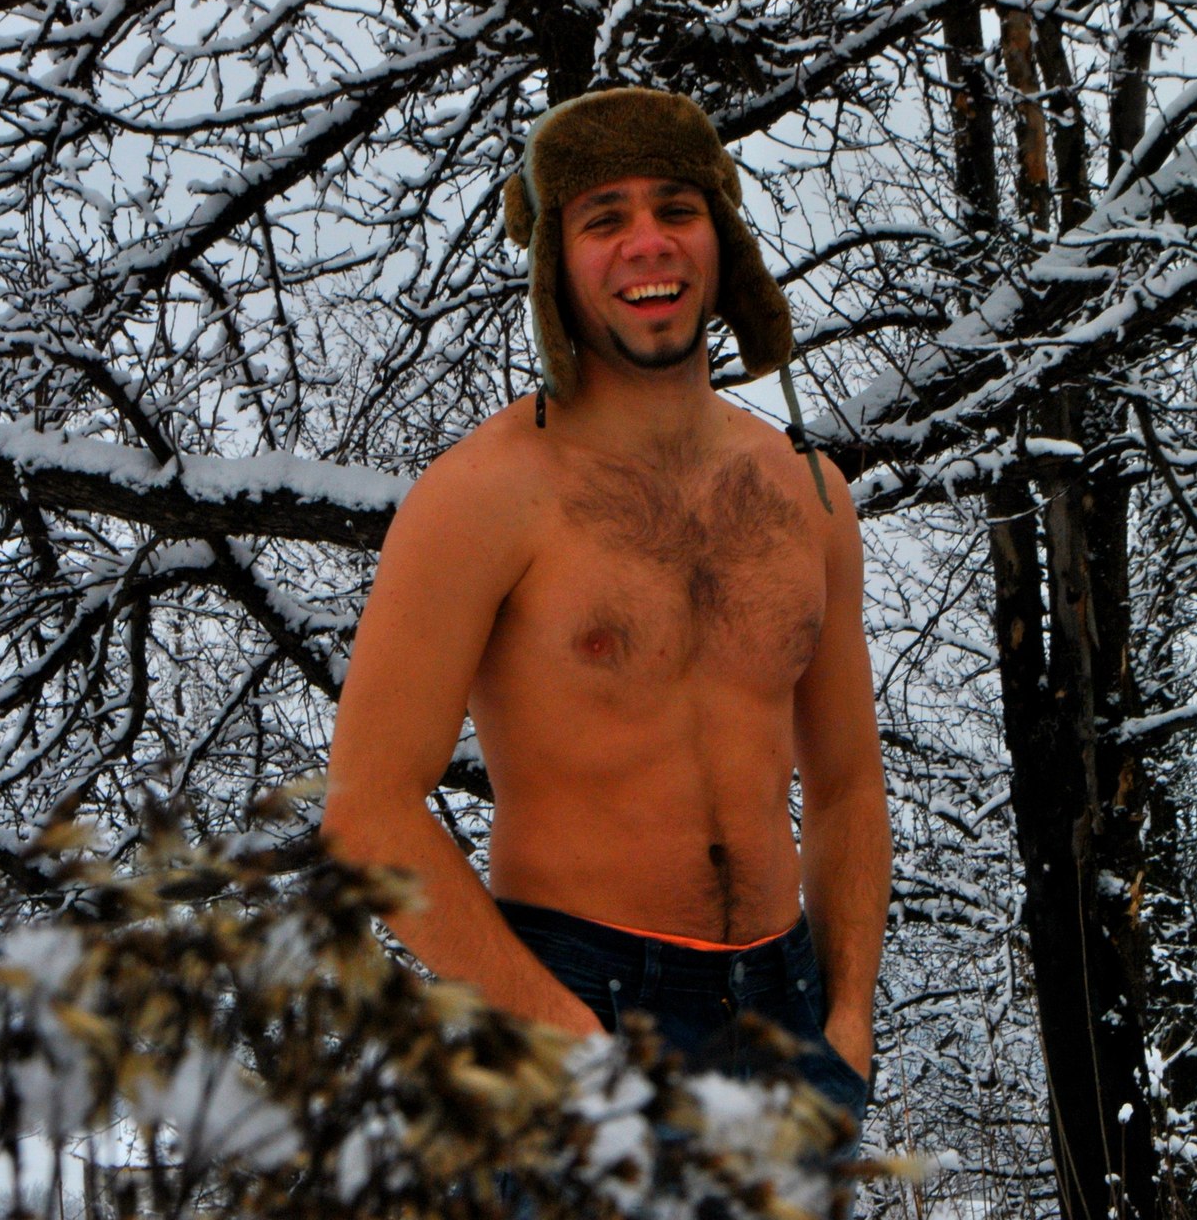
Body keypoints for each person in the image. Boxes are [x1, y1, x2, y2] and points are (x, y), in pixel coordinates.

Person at [322, 87, 891, 1137]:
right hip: (577, 1003)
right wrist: (557, 1027)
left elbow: (849, 783)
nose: (647, 244)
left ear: (722, 237)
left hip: (786, 1011)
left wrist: (847, 1014)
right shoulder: (487, 493)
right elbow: (367, 810)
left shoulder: (807, 491)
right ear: (555, 260)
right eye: (604, 218)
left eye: (676, 207)